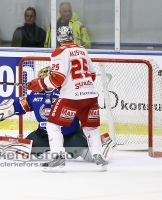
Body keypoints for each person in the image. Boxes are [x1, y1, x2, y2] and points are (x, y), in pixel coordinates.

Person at [27, 26, 109, 172]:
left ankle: (58, 157)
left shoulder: (59, 51)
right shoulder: (82, 50)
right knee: (91, 127)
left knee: (52, 125)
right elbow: (92, 75)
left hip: (71, 97)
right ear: (72, 36)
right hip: (90, 95)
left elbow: (57, 79)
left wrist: (41, 83)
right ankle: (99, 156)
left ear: (58, 37)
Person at [0, 66, 116, 163]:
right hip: (43, 136)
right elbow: (17, 105)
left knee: (96, 156)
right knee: (20, 151)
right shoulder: (34, 95)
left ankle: (103, 141)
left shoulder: (67, 93)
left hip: (71, 136)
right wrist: (5, 109)